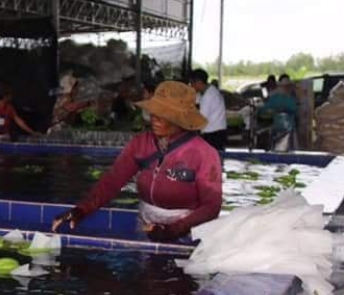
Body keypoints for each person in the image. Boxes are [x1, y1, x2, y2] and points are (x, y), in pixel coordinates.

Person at [51, 81, 222, 241]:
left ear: (180, 119)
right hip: (146, 222)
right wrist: (82, 210)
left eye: (164, 115)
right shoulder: (140, 144)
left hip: (187, 229)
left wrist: (173, 230)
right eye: (154, 112)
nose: (155, 118)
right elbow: (113, 180)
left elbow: (211, 206)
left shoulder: (204, 153)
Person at [190, 69, 228, 152]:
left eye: (192, 83)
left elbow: (200, 119)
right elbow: (195, 101)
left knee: (211, 157)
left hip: (214, 135)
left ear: (199, 82)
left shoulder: (208, 96)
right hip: (215, 131)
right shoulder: (208, 90)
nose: (191, 86)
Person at [259, 76, 298, 150]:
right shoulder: (275, 98)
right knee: (280, 149)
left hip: (289, 130)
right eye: (285, 86)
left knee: (286, 150)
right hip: (278, 130)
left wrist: (278, 110)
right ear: (280, 87)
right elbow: (263, 110)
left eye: (287, 86)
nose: (286, 88)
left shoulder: (291, 99)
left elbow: (294, 110)